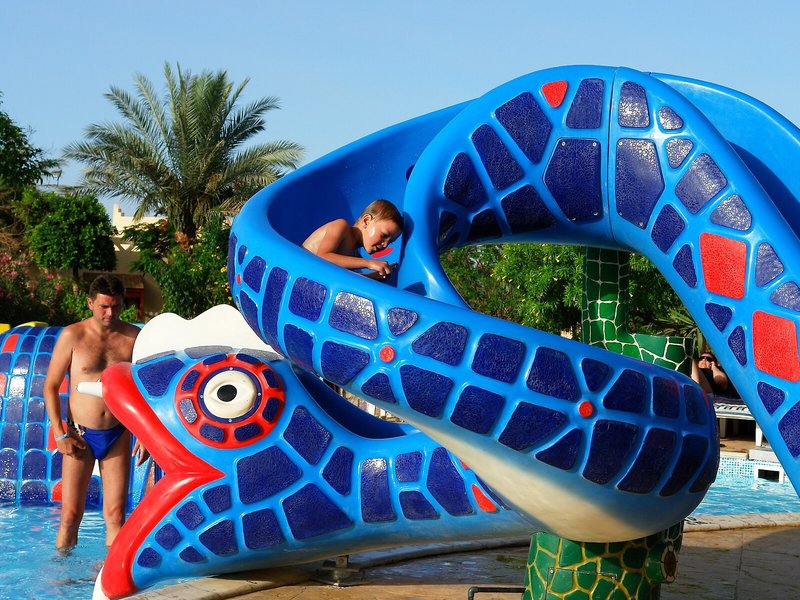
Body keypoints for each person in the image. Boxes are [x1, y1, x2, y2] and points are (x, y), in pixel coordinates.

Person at [44, 274, 147, 551]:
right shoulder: (73, 335)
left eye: (115, 306)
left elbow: (146, 388)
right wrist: (60, 433)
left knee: (115, 516)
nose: (109, 313)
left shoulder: (134, 338)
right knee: (70, 515)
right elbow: (50, 387)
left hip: (118, 433)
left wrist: (145, 434)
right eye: (103, 306)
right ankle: (64, 581)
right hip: (80, 435)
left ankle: (108, 584)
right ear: (90, 303)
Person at [302, 199, 404, 280]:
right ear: (366, 221)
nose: (385, 245)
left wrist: (375, 276)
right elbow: (323, 257)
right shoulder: (341, 226)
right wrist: (369, 263)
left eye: (390, 242)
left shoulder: (354, 256)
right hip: (297, 271)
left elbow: (343, 280)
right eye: (384, 235)